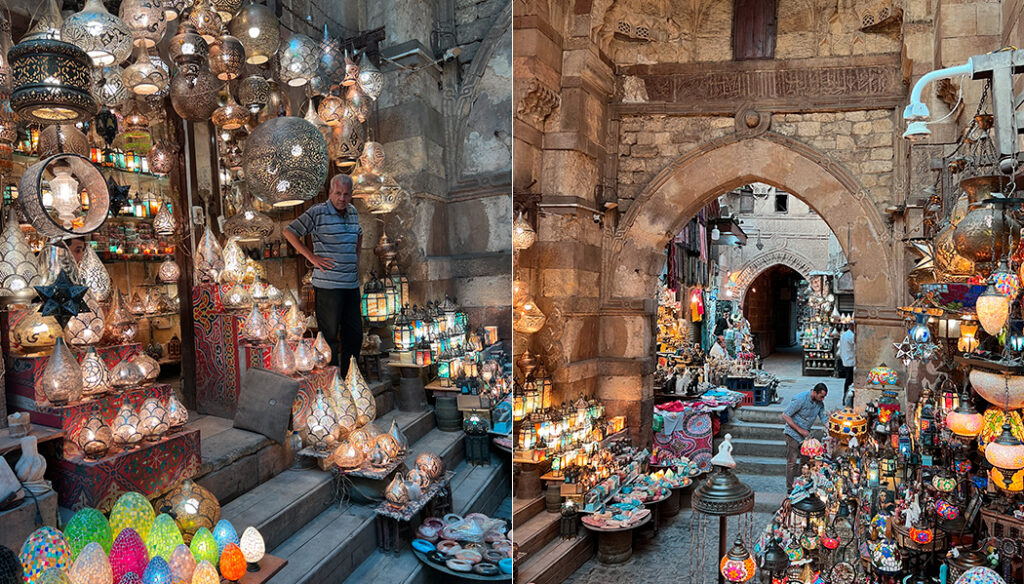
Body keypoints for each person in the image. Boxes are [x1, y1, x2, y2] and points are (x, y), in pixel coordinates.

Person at [283, 174, 363, 377]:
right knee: (329, 339)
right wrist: (312, 257)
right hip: (328, 287)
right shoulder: (317, 212)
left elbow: (359, 234)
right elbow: (289, 232)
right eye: (338, 193)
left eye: (346, 194)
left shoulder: (352, 212)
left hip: (351, 285)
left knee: (354, 336)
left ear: (351, 194)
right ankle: (333, 381)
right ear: (330, 193)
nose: (342, 198)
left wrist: (356, 257)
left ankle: (350, 378)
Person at [782, 383, 828, 492]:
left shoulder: (820, 404)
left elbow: (824, 418)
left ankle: (801, 483)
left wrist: (832, 427)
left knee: (806, 459)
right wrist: (800, 430)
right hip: (793, 433)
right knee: (792, 462)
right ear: (815, 393)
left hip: (805, 435)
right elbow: (785, 415)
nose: (823, 399)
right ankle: (789, 488)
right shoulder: (801, 399)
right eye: (821, 396)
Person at [839, 324, 855, 406]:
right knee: (849, 381)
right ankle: (847, 399)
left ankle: (845, 397)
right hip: (850, 361)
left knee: (848, 381)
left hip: (845, 360)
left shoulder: (843, 335)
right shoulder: (851, 336)